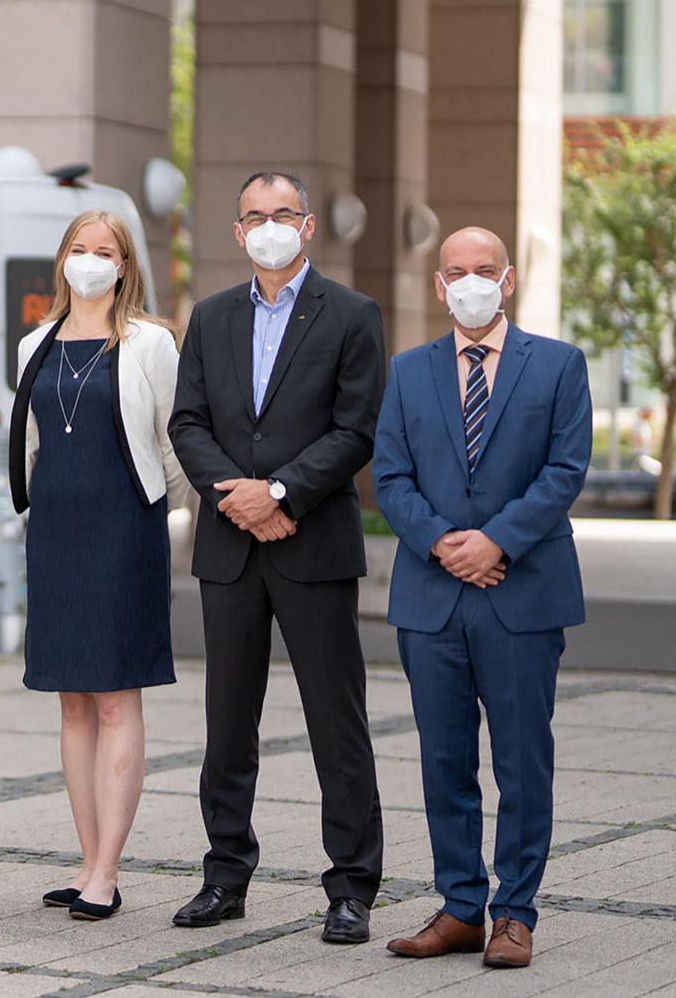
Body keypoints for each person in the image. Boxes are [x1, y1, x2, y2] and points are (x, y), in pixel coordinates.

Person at [166, 171, 387, 943]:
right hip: (229, 545)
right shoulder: (210, 316)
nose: (267, 226)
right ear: (235, 232)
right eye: (253, 216)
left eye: (281, 214)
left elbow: (355, 429)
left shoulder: (353, 315)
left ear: (307, 225)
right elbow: (186, 420)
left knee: (336, 719)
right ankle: (224, 873)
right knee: (227, 723)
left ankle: (351, 884)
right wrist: (238, 497)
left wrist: (282, 492)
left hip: (312, 544)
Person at [374, 227, 589, 970]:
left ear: (508, 280)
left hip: (521, 592)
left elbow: (564, 470)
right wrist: (444, 543)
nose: (470, 282)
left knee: (523, 761)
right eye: (456, 271)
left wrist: (494, 540)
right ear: (438, 285)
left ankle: (514, 913)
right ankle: (461, 905)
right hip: (430, 597)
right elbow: (389, 478)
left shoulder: (558, 364)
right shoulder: (405, 371)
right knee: (443, 759)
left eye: (484, 270)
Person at [7, 210, 187, 921]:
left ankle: (106, 871)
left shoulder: (150, 343)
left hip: (122, 531)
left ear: (123, 265)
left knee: (115, 697)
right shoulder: (33, 344)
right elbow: (27, 441)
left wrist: (145, 513)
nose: (88, 260)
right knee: (71, 698)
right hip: (55, 532)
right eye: (77, 249)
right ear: (62, 260)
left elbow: (173, 448)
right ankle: (85, 862)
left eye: (102, 251)